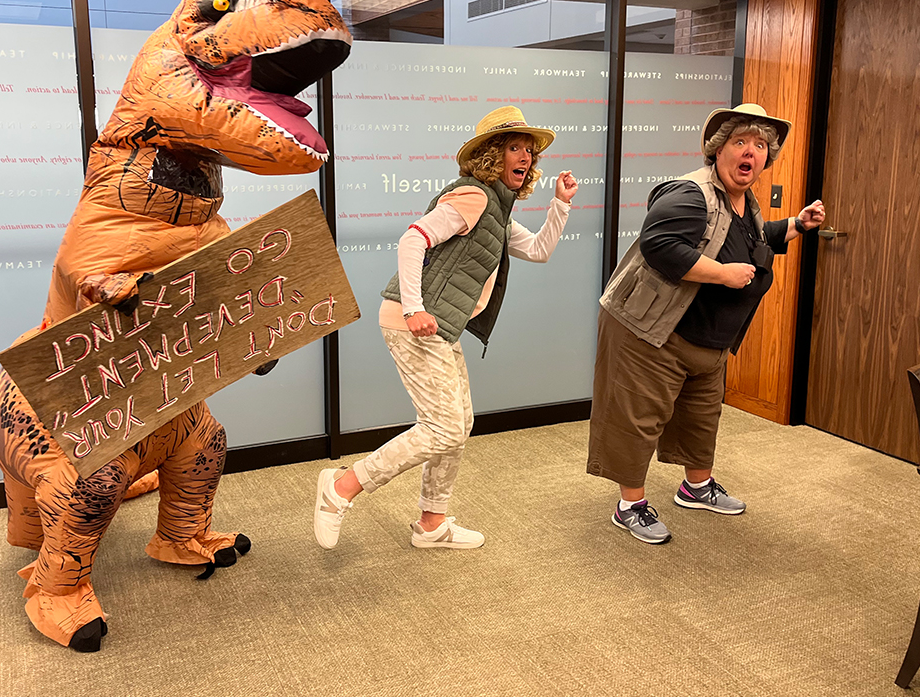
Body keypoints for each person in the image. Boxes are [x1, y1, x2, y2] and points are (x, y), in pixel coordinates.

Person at [314, 105, 580, 550]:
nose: (526, 158)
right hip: (411, 321)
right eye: (515, 147)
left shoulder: (497, 208)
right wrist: (415, 307)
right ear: (493, 155)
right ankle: (342, 486)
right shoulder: (473, 197)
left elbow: (538, 250)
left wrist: (560, 205)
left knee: (459, 422)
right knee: (444, 427)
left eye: (529, 152)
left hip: (440, 325)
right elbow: (412, 238)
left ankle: (432, 522)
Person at [587, 103, 826, 544]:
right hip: (651, 331)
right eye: (740, 142)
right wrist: (722, 274)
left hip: (706, 337)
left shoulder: (742, 200)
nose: (750, 152)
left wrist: (795, 224)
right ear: (717, 150)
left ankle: (695, 487)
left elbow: (748, 240)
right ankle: (630, 505)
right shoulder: (690, 193)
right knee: (637, 418)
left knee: (701, 416)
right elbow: (659, 244)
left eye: (759, 145)